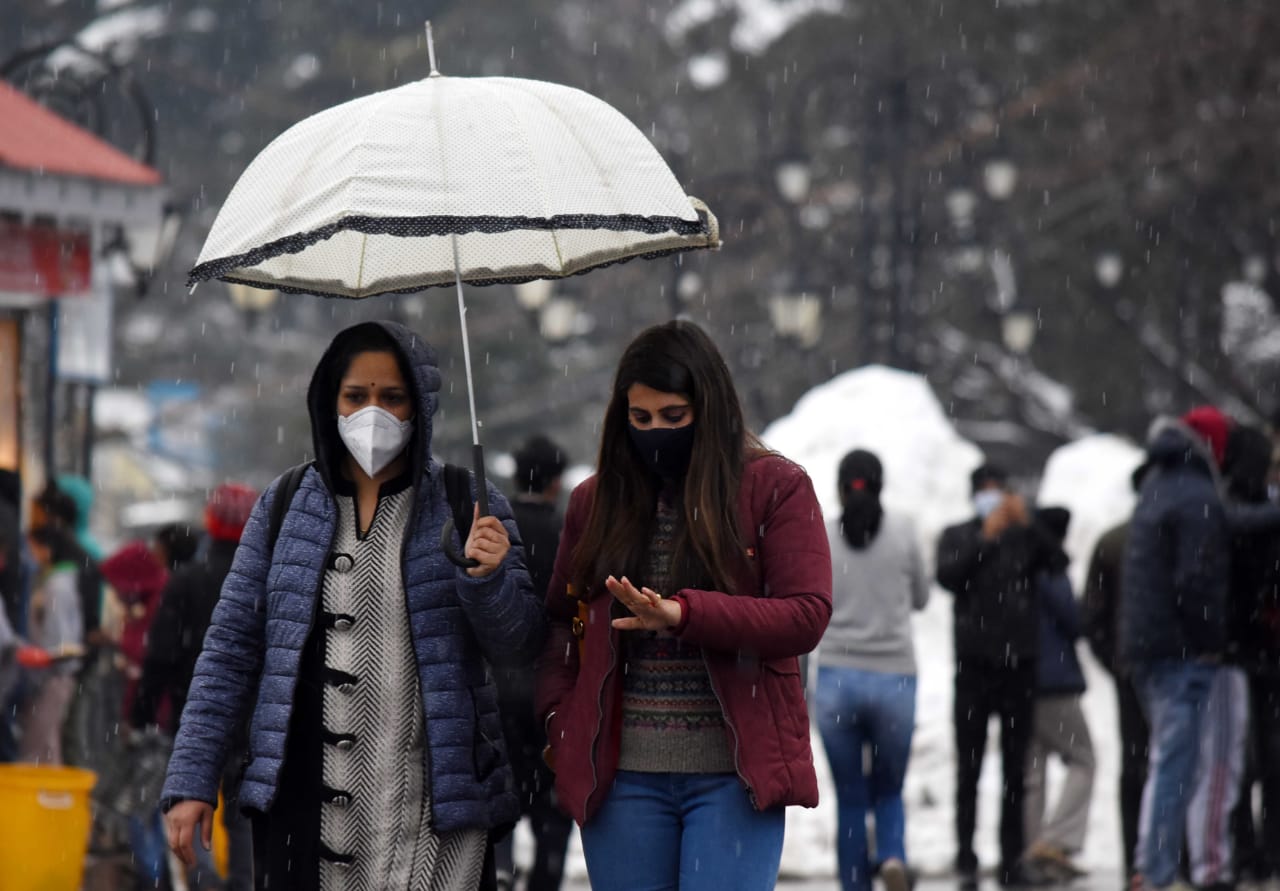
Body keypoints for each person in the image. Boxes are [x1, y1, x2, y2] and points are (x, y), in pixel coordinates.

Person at [161, 320, 546, 891]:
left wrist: (487, 578)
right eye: (356, 396)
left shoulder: (468, 502)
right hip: (304, 810)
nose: (374, 414)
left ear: (420, 407)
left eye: (393, 398)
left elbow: (518, 644)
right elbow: (230, 652)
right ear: (329, 402)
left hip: (433, 811)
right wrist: (192, 779)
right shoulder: (286, 503)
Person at [535, 320, 833, 891]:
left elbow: (805, 614)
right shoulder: (594, 501)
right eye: (640, 418)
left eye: (674, 417)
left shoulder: (776, 487)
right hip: (621, 782)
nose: (656, 433)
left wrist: (685, 615)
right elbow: (559, 623)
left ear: (710, 409)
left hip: (732, 778)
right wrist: (560, 719)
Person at [936, 463, 1067, 890]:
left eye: (998, 490)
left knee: (1016, 770)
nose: (991, 497)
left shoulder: (1023, 538)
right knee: (968, 769)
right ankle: (966, 855)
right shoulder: (959, 534)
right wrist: (985, 536)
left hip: (1018, 670)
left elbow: (1058, 561)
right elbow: (949, 575)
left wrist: (1027, 521)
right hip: (973, 669)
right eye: (984, 490)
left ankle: (1012, 858)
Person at [1121, 407, 1232, 891]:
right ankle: (1157, 869)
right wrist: (1211, 641)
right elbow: (1196, 580)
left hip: (1148, 646)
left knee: (1166, 759)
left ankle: (1153, 864)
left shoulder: (1156, 487)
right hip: (1180, 650)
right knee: (1176, 763)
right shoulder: (1196, 496)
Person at [135, 485, 258, 891]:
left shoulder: (187, 579)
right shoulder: (266, 579)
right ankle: (242, 884)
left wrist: (145, 709)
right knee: (243, 818)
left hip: (196, 714)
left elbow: (161, 654)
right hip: (253, 719)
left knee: (189, 803)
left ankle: (205, 884)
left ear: (210, 519)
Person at [815, 449, 927, 891]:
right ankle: (894, 853)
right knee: (889, 786)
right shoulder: (903, 531)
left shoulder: (821, 536)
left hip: (836, 680)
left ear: (841, 488)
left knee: (849, 796)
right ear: (880, 485)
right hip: (894, 678)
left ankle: (855, 883)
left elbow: (810, 603)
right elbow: (920, 597)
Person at [493, 434, 573, 891]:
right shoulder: (568, 534)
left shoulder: (494, 533)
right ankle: (546, 878)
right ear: (556, 482)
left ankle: (500, 871)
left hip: (498, 685)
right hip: (553, 685)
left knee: (500, 796)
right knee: (553, 810)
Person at [1022, 507, 1095, 881]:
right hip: (1055, 680)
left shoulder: (1019, 562)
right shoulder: (1051, 566)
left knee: (1033, 770)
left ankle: (1032, 846)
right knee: (1084, 758)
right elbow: (1074, 619)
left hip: (1022, 679)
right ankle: (1055, 839)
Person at [1082, 519, 1147, 890]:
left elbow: (1092, 614)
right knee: (1177, 764)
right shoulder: (1189, 524)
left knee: (1134, 763)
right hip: (1173, 664)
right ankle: (1172, 856)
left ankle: (1134, 858)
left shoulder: (1112, 540)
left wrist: (1115, 662)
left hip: (1130, 668)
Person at [21, 524, 85, 764]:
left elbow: (58, 635)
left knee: (37, 744)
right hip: (57, 672)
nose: (28, 554)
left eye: (32, 548)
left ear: (47, 550)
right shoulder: (60, 580)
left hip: (53, 672)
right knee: (48, 742)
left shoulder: (55, 585)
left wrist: (45, 662)